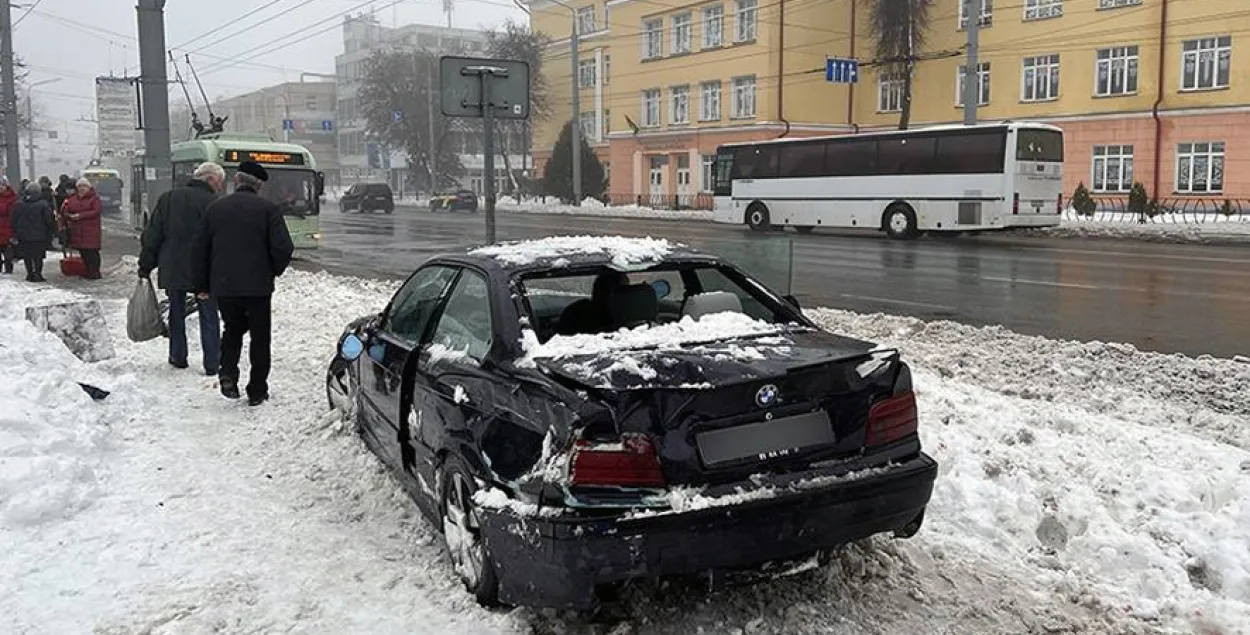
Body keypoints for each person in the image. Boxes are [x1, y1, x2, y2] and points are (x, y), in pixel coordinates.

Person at [192, 161, 294, 406]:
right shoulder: (268, 209)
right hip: (258, 288)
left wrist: (202, 284)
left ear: (236, 181)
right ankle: (257, 389)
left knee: (232, 330)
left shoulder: (216, 209)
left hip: (225, 286)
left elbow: (200, 249)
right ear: (258, 186)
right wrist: (271, 271)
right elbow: (283, 247)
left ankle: (228, 373)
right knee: (260, 338)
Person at [140, 162, 226, 375]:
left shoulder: (168, 199)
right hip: (204, 269)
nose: (220, 186)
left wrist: (146, 265)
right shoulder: (215, 203)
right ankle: (212, 362)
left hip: (173, 265)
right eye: (219, 182)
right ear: (210, 179)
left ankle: (178, 356)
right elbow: (221, 240)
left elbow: (153, 235)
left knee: (176, 312)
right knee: (209, 315)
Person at [9, 183, 56, 282]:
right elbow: (49, 220)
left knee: (27, 256)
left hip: (23, 235)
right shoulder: (43, 204)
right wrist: (51, 230)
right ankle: (38, 274)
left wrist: (16, 232)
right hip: (39, 235)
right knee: (38, 256)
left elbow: (13, 219)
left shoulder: (19, 204)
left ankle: (30, 274)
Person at [60, 178, 103, 279]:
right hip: (78, 231)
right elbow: (66, 210)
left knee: (92, 252)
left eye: (84, 186)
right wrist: (67, 214)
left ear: (89, 187)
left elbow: (96, 211)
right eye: (80, 186)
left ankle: (95, 272)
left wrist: (80, 216)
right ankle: (88, 271)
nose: (82, 188)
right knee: (83, 252)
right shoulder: (73, 199)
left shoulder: (94, 198)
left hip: (91, 231)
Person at [0, 177, 17, 274]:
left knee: (7, 252)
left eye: (2, 185)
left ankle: (8, 270)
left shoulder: (12, 198)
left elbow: (13, 214)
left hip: (7, 228)